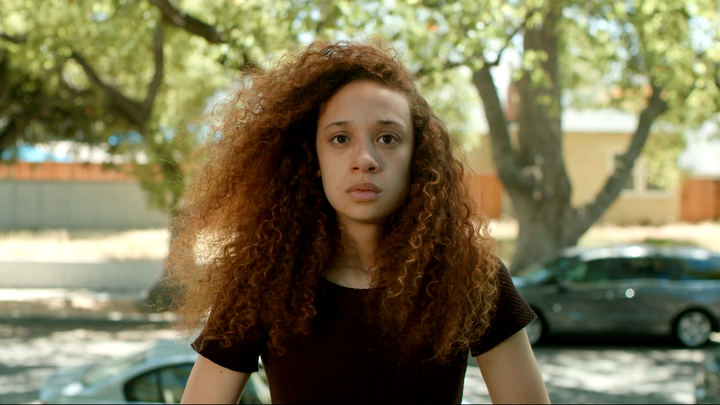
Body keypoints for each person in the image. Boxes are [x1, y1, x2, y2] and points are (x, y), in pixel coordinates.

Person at [170, 39, 550, 404]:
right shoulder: (260, 282)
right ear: (312, 159)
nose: (365, 159)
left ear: (418, 158)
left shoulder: (472, 278)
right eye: (340, 138)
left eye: (387, 138)